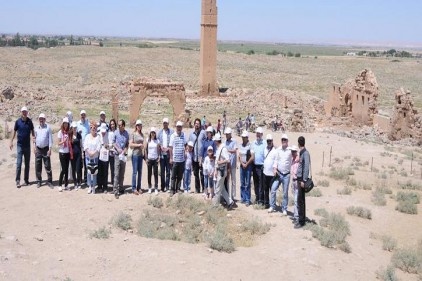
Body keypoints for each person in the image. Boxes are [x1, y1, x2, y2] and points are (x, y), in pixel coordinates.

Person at [10, 106, 35, 188]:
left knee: (27, 164)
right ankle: (17, 180)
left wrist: (33, 139)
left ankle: (26, 180)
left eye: (25, 112)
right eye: (23, 112)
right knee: (19, 163)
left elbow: (32, 131)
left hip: (27, 146)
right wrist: (11, 141)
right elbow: (14, 131)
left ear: (27, 112)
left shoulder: (30, 122)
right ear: (21, 112)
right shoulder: (18, 122)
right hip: (20, 145)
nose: (24, 113)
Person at [270, 134, 292, 215]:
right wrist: (274, 168)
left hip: (286, 174)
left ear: (287, 141)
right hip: (279, 174)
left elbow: (294, 159)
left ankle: (284, 208)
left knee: (285, 192)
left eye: (285, 140)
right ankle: (272, 206)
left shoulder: (290, 150)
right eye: (282, 140)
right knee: (273, 189)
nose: (283, 141)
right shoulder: (278, 150)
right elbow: (276, 160)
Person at [212, 133, 236, 209]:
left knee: (218, 188)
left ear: (216, 141)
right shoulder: (220, 148)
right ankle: (230, 202)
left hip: (221, 171)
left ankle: (215, 205)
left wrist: (220, 162)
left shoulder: (223, 149)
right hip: (219, 170)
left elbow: (228, 159)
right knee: (222, 189)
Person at [33, 113, 53, 188]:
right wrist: (34, 147)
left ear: (45, 120)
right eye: (40, 119)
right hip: (38, 149)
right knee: (38, 166)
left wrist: (50, 149)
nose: (41, 120)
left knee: (47, 165)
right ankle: (39, 181)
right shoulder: (36, 128)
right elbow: (34, 139)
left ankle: (50, 181)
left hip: (46, 149)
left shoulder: (48, 127)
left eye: (42, 119)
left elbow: (50, 139)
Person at [295, 136, 310, 229]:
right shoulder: (301, 152)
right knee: (300, 200)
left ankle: (301, 221)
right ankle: (301, 219)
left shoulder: (305, 153)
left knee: (301, 200)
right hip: (299, 178)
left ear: (298, 143)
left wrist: (304, 180)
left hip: (302, 180)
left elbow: (306, 167)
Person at [169, 121, 186, 197]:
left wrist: (185, 152)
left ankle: (178, 188)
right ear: (176, 127)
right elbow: (170, 148)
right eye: (178, 127)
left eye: (180, 127)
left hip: (181, 159)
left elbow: (185, 145)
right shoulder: (173, 136)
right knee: (173, 176)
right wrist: (171, 157)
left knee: (180, 175)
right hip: (175, 159)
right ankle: (172, 189)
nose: (179, 128)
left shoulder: (183, 135)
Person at [188, 118, 206, 193]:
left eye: (198, 124)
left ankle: (204, 189)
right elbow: (189, 144)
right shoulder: (191, 134)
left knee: (202, 174)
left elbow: (205, 144)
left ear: (200, 125)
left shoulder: (203, 133)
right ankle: (197, 189)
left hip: (201, 157)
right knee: (196, 174)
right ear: (194, 124)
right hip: (194, 157)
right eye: (196, 123)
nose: (197, 125)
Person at [113, 119, 129, 199]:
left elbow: (127, 144)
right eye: (118, 125)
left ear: (123, 125)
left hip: (123, 155)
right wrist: (118, 149)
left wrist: (124, 150)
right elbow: (113, 142)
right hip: (117, 155)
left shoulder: (126, 133)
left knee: (122, 173)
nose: (118, 126)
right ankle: (115, 191)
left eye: (120, 125)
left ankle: (121, 187)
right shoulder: (116, 132)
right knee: (116, 174)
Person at [84, 122, 102, 194]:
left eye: (94, 128)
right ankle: (89, 186)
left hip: (95, 157)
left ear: (96, 129)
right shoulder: (87, 136)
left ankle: (94, 186)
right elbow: (85, 145)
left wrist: (93, 153)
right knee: (88, 172)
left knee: (94, 172)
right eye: (92, 128)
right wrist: (89, 152)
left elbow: (98, 146)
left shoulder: (98, 137)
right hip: (88, 157)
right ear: (90, 128)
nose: (93, 129)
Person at [157, 118, 173, 192]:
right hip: (162, 155)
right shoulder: (159, 132)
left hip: (168, 154)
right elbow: (158, 142)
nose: (165, 124)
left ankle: (167, 186)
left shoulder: (171, 132)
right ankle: (162, 186)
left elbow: (172, 143)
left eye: (166, 123)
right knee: (162, 172)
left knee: (168, 172)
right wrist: (161, 147)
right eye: (164, 123)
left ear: (168, 124)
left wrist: (168, 148)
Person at [238, 131, 253, 206]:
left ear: (247, 138)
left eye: (244, 137)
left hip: (248, 166)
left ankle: (247, 199)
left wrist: (246, 164)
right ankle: (243, 198)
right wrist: (242, 163)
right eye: (242, 137)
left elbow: (252, 156)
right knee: (242, 182)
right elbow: (239, 155)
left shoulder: (250, 145)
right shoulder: (240, 145)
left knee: (247, 183)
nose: (243, 138)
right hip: (242, 166)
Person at [129, 120, 144, 195]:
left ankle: (139, 187)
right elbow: (130, 144)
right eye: (138, 125)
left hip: (140, 155)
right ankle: (134, 188)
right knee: (135, 172)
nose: (139, 126)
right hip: (135, 154)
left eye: (140, 125)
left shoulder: (142, 134)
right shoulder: (133, 134)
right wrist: (138, 145)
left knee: (140, 172)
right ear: (136, 126)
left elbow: (143, 144)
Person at [251, 127, 265, 205]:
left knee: (261, 184)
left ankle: (261, 200)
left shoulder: (265, 143)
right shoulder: (253, 143)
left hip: (262, 166)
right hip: (255, 166)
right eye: (257, 133)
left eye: (259, 134)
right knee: (255, 183)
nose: (258, 135)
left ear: (262, 134)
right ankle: (257, 198)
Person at [57, 117, 72, 191]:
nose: (66, 125)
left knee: (67, 169)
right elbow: (58, 143)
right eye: (65, 123)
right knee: (63, 169)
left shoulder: (68, 132)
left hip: (67, 152)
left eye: (67, 123)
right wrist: (64, 141)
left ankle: (66, 185)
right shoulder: (60, 132)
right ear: (63, 124)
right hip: (62, 152)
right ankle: (59, 184)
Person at [262, 134, 277, 209]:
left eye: (270, 141)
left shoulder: (275, 151)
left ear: (272, 141)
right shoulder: (265, 149)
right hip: (265, 172)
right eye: (268, 141)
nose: (269, 142)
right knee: (266, 189)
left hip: (271, 174)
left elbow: (276, 161)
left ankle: (273, 204)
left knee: (272, 190)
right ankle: (266, 203)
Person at [145, 127, 160, 195]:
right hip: (149, 159)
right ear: (150, 133)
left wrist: (159, 157)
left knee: (156, 174)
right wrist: (146, 158)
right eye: (152, 133)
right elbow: (145, 149)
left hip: (155, 159)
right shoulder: (148, 140)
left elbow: (158, 149)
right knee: (149, 174)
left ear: (155, 133)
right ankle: (149, 187)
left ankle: (156, 188)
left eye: (154, 133)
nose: (153, 134)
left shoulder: (157, 141)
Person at [224, 127, 237, 201]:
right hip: (227, 164)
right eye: (226, 134)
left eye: (227, 134)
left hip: (233, 164)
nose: (226, 135)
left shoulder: (234, 141)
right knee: (227, 180)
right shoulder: (225, 142)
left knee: (233, 180)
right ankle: (228, 195)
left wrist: (228, 150)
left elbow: (235, 150)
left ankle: (233, 196)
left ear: (230, 134)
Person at [77, 110, 90, 184]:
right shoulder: (77, 124)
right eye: (82, 115)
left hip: (86, 147)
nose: (83, 116)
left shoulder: (87, 124)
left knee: (86, 164)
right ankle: (79, 180)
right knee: (79, 164)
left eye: (84, 115)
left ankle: (85, 179)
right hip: (79, 147)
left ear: (85, 116)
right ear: (80, 115)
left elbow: (88, 134)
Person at [97, 124, 110, 193]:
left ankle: (105, 187)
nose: (103, 133)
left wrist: (107, 145)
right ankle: (99, 186)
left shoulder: (108, 135)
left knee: (105, 172)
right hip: (99, 155)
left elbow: (111, 144)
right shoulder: (98, 135)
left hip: (106, 155)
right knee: (100, 172)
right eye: (102, 131)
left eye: (104, 131)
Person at [70, 121, 83, 190]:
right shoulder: (70, 135)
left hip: (78, 154)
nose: (74, 129)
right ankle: (75, 183)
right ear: (71, 128)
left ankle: (79, 182)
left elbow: (81, 145)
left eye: (75, 127)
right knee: (73, 169)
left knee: (78, 169)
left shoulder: (79, 135)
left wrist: (82, 154)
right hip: (72, 155)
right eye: (73, 127)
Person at [289, 145, 300, 223]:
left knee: (297, 200)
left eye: (293, 151)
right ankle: (295, 215)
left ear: (296, 152)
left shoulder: (299, 160)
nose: (292, 153)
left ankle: (297, 216)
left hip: (297, 181)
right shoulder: (292, 160)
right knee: (295, 199)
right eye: (291, 151)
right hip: (293, 180)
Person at [107, 119, 117, 188]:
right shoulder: (108, 133)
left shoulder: (117, 132)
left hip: (115, 152)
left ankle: (114, 183)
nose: (112, 125)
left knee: (114, 169)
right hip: (109, 152)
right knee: (108, 168)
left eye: (113, 124)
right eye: (111, 124)